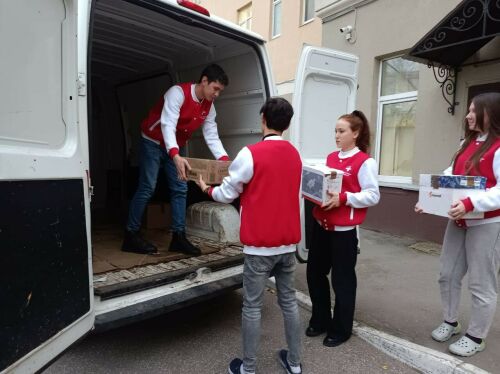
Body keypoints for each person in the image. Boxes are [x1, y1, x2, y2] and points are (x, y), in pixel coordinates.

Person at [198, 97, 303, 374]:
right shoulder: (295, 154)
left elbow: (226, 193)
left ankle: (249, 368)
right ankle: (294, 364)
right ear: (287, 124)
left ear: (263, 120)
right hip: (288, 244)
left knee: (252, 307)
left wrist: (206, 188)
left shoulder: (250, 153)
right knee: (290, 303)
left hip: (259, 247)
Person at [415, 92, 500, 357]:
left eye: (475, 110)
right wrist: (428, 199)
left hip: (485, 223)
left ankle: (476, 335)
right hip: (459, 220)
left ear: (491, 113)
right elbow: (450, 176)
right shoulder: (467, 143)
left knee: (481, 282)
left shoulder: (498, 147)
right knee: (447, 274)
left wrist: (471, 205)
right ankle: (451, 322)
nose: (468, 115)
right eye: (469, 110)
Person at [122, 64, 230, 255]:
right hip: (153, 141)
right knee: (148, 187)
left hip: (174, 146)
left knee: (180, 188)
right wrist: (175, 155)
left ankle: (178, 237)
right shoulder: (177, 93)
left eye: (220, 91)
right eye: (215, 89)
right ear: (204, 81)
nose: (217, 94)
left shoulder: (209, 106)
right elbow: (168, 124)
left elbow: (211, 134)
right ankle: (131, 235)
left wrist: (224, 161)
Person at [305, 110, 380, 348]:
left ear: (355, 133)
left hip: (343, 232)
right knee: (314, 273)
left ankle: (341, 328)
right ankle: (320, 319)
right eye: (335, 131)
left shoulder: (365, 162)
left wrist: (344, 198)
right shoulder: (330, 157)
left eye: (341, 131)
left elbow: (372, 195)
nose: (336, 136)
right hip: (321, 225)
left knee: (342, 280)